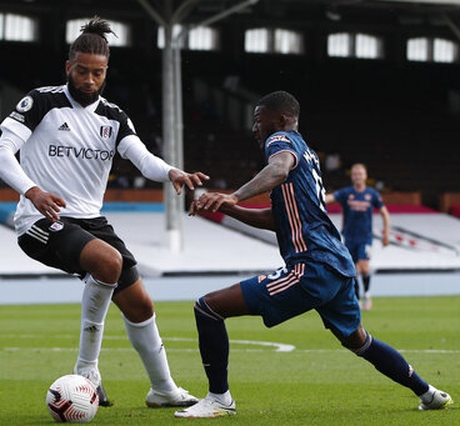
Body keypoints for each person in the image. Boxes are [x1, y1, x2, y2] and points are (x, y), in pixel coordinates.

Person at [176, 91, 453, 418]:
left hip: (312, 267)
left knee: (208, 308)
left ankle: (219, 398)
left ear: (279, 120)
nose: (254, 127)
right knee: (359, 341)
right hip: (337, 266)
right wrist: (227, 208)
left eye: (257, 119)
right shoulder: (309, 155)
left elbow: (278, 168)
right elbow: (279, 220)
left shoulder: (279, 141)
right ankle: (429, 392)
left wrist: (234, 195)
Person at [0, 16, 208, 408]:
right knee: (108, 262)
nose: (90, 80)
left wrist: (171, 171)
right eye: (83, 71)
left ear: (106, 72)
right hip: (41, 220)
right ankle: (87, 370)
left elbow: (142, 158)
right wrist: (33, 191)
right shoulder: (41, 101)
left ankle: (163, 389)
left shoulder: (113, 116)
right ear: (68, 67)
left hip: (91, 221)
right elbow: (1, 155)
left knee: (141, 304)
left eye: (98, 73)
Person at [325, 163, 390, 310]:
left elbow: (384, 213)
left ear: (365, 176)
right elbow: (330, 198)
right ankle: (356, 298)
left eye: (360, 174)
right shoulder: (347, 193)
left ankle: (367, 294)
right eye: (355, 174)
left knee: (365, 267)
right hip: (349, 237)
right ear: (352, 176)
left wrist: (386, 233)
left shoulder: (372, 194)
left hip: (365, 237)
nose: (358, 176)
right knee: (351, 271)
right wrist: (315, 198)